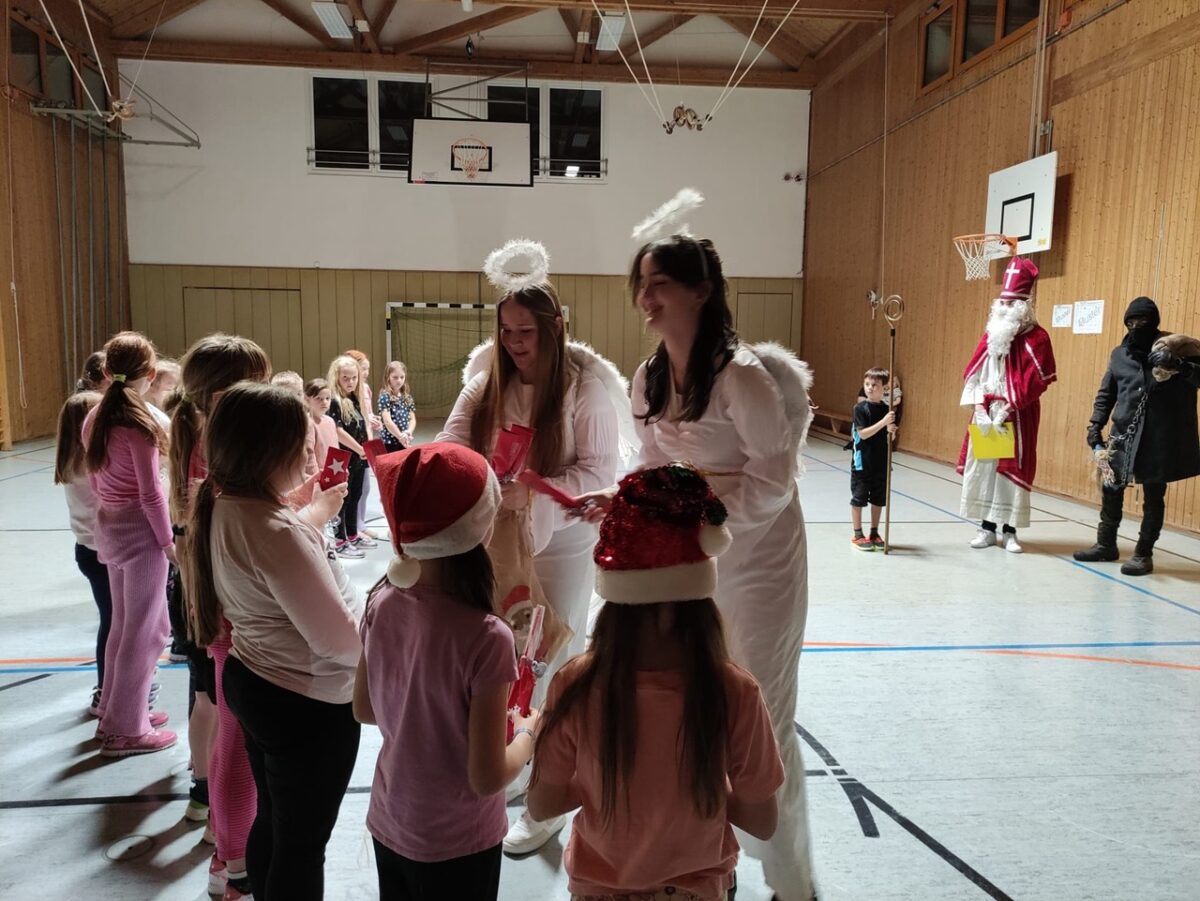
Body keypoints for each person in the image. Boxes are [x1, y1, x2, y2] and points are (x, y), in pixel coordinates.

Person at [580, 229, 817, 901]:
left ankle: (792, 880)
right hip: (690, 555)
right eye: (642, 284)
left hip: (761, 554)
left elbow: (772, 481)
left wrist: (701, 520)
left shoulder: (743, 377)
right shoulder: (648, 376)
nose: (645, 297)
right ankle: (714, 861)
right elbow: (653, 463)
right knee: (694, 706)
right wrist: (626, 497)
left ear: (702, 290)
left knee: (764, 712)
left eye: (660, 283)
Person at [437, 257, 626, 854]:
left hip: (561, 544)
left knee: (548, 664)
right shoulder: (486, 381)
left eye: (527, 331)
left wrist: (535, 492)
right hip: (497, 542)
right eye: (506, 331)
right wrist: (480, 477)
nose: (516, 343)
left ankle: (549, 798)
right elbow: (448, 442)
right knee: (499, 659)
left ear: (555, 326)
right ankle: (514, 761)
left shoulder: (584, 389)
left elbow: (599, 474)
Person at [531, 463, 784, 901]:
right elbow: (762, 821)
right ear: (701, 599)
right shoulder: (735, 690)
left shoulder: (576, 684)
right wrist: (699, 788)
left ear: (614, 600)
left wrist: (596, 784)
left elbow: (542, 805)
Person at [181, 382, 360, 901]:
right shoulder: (276, 530)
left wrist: (313, 518)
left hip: (258, 681)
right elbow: (342, 644)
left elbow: (275, 555)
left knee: (276, 825)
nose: (313, 455)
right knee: (301, 847)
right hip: (305, 704)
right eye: (301, 445)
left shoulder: (229, 505)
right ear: (266, 451)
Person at [354, 442, 536, 900]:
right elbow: (487, 777)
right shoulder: (487, 635)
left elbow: (364, 709)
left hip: (391, 820)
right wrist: (528, 734)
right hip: (459, 842)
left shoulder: (380, 600)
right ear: (481, 527)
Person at [170, 333, 272, 898]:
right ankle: (233, 866)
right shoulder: (214, 449)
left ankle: (225, 847)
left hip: (213, 597)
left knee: (227, 723)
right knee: (235, 734)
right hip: (226, 604)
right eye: (256, 382)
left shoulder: (203, 437)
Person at [80, 331, 176, 757]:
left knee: (123, 625)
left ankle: (116, 709)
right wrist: (167, 541)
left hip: (110, 527)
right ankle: (126, 728)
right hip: (140, 534)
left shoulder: (95, 416)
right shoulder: (139, 425)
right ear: (150, 374)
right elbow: (151, 494)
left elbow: (97, 480)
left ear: (105, 370)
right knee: (146, 630)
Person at [1073, 297, 1200, 575]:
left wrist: (1180, 366)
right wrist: (1095, 425)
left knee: (1153, 496)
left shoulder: (1177, 349)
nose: (1136, 326)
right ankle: (1106, 544)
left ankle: (1143, 554)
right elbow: (1107, 393)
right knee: (1110, 489)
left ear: (1154, 322)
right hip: (1123, 435)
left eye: (1142, 321)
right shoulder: (1120, 354)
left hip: (1159, 438)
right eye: (1130, 321)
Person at [956, 257, 1057, 554]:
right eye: (1002, 302)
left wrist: (1010, 407)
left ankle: (1010, 531)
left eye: (1011, 303)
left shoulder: (1037, 338)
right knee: (986, 470)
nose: (1004, 307)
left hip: (1017, 415)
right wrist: (978, 407)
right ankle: (986, 528)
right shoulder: (991, 335)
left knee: (1012, 473)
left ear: (1024, 305)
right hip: (987, 413)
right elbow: (974, 373)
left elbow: (1038, 380)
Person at [54, 391, 112, 715]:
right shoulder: (91, 464)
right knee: (113, 623)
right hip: (102, 553)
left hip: (88, 550)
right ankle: (105, 691)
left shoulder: (71, 460)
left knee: (111, 620)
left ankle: (108, 689)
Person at [327, 355, 373, 558]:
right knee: (342, 499)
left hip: (358, 458)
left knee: (355, 495)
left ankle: (352, 534)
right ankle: (340, 540)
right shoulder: (334, 401)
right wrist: (359, 449)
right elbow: (337, 431)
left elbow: (362, 426)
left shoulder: (354, 398)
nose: (350, 382)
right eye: (345, 378)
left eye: (354, 378)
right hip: (342, 459)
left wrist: (366, 449)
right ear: (337, 377)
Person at [850, 368, 897, 550]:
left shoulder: (887, 410)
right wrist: (883, 423)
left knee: (878, 499)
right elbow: (863, 434)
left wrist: (891, 431)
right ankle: (857, 534)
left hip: (880, 461)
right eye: (867, 384)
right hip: (863, 462)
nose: (869, 388)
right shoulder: (860, 408)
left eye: (874, 385)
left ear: (884, 388)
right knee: (859, 498)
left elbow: (889, 438)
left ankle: (874, 532)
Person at [346, 350, 383, 539]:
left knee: (365, 486)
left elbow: (366, 413)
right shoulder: (346, 394)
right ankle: (353, 526)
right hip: (354, 444)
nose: (366, 372)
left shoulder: (366, 389)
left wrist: (372, 419)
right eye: (362, 368)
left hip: (365, 441)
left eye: (367, 369)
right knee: (353, 488)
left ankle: (359, 522)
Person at [378, 360, 417, 452]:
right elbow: (387, 421)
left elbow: (412, 419)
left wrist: (408, 432)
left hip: (404, 439)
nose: (399, 380)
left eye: (402, 377)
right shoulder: (385, 396)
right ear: (388, 377)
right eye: (395, 377)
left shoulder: (407, 397)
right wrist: (400, 436)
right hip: (389, 442)